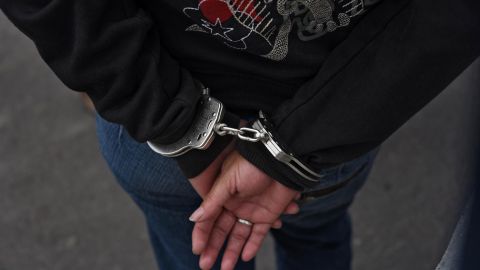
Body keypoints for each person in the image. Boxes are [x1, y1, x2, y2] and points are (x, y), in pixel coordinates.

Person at [1, 0, 479, 269]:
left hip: (159, 118)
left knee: (205, 256)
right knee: (317, 236)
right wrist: (308, 139)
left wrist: (161, 110)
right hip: (339, 112)